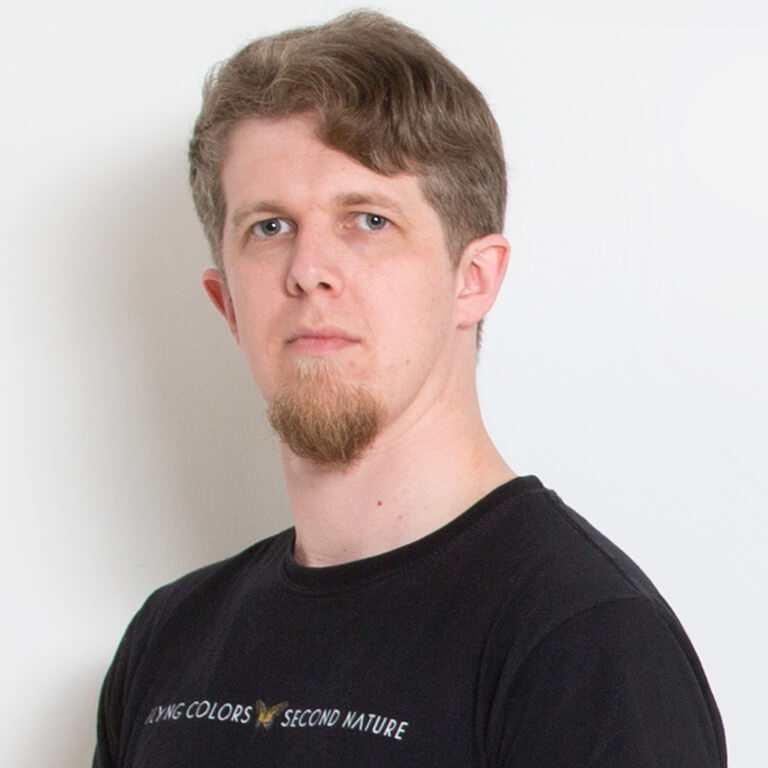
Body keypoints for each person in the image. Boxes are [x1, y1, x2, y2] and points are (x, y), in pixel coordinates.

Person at [92, 11, 726, 767]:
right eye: (269, 227)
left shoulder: (584, 642)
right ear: (227, 303)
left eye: (368, 220)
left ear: (473, 279)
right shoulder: (168, 642)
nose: (308, 270)